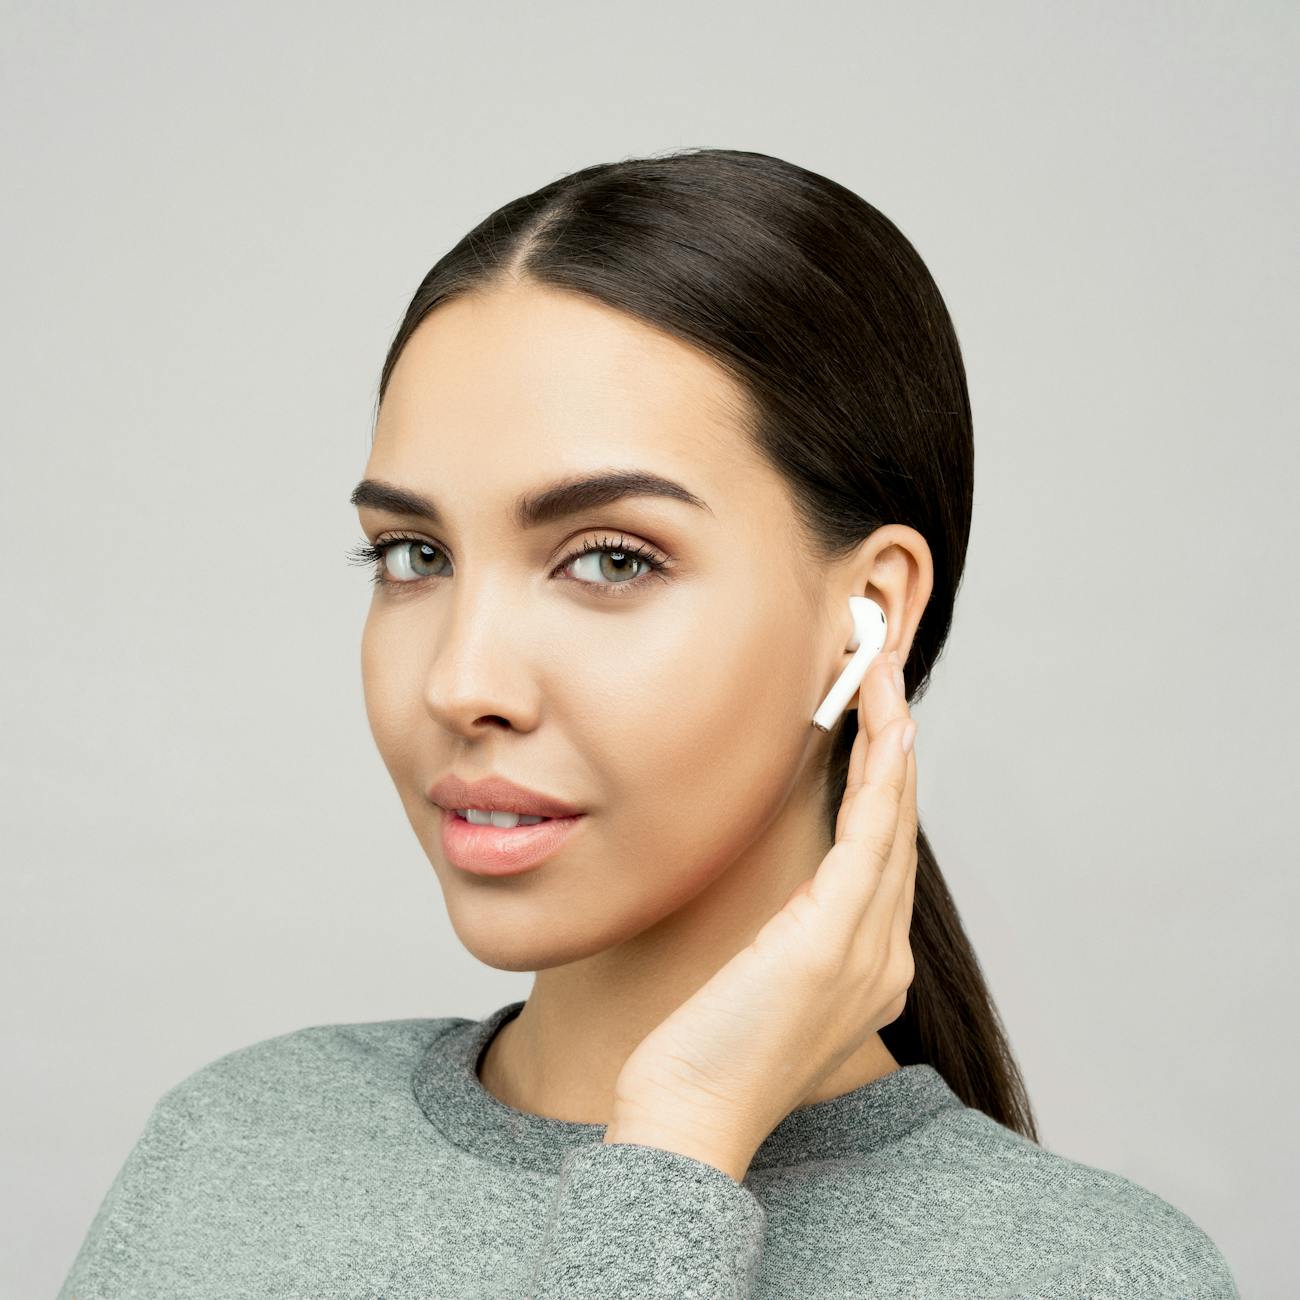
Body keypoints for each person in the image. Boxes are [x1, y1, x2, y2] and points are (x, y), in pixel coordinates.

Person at [57, 147, 1239, 1298]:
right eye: (414, 555)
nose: (461, 682)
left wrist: (684, 1145)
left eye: (611, 559)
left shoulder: (1086, 1272)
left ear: (868, 618)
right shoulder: (239, 1151)